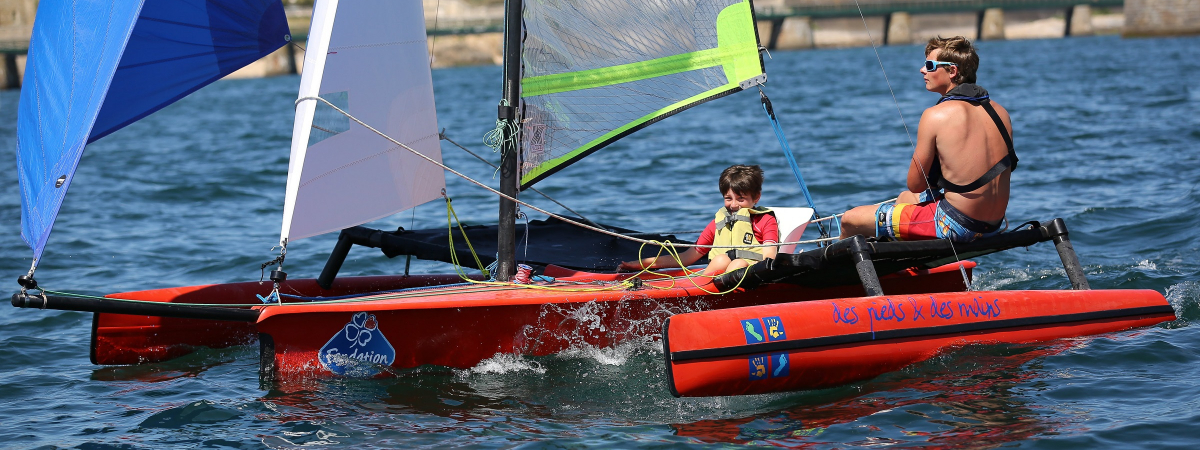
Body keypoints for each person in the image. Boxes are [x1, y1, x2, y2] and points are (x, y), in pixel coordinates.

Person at [839, 36, 1016, 243]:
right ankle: (908, 266)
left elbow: (916, 183)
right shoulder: (1000, 111)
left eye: (930, 65)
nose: (922, 70)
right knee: (905, 199)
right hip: (993, 225)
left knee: (850, 220)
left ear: (952, 71)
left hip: (954, 225)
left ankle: (837, 272)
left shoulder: (936, 115)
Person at [618, 165, 779, 275]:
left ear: (756, 197)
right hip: (717, 278)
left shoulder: (765, 221)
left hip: (751, 276)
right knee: (721, 259)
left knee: (737, 264)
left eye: (741, 199)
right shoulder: (720, 222)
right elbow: (686, 258)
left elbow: (769, 257)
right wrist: (640, 264)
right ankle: (698, 292)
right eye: (728, 198)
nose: (734, 205)